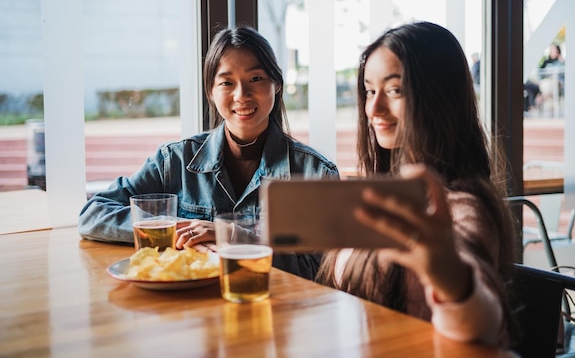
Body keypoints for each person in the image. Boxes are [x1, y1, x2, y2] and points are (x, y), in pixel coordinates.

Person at [78, 25, 339, 280]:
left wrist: (231, 235)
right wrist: (177, 229)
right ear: (210, 93)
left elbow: (321, 270)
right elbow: (93, 214)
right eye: (227, 82)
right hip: (191, 311)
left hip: (271, 310)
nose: (242, 95)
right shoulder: (174, 161)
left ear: (277, 84)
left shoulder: (315, 173)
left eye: (256, 79)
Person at [315, 22, 517, 347]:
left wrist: (450, 277)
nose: (374, 108)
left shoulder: (462, 207)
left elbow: (478, 323)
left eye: (395, 90)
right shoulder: (387, 189)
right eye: (369, 90)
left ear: (438, 98)